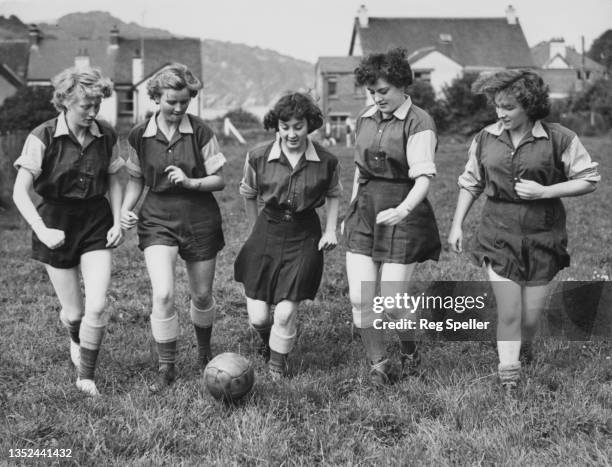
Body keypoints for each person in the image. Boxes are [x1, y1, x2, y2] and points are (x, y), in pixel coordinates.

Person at [447, 69, 600, 394]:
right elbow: (470, 182)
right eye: (497, 106)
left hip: (543, 235)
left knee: (530, 316)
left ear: (529, 106)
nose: (501, 113)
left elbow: (589, 178)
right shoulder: (485, 139)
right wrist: (457, 223)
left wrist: (546, 191)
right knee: (510, 310)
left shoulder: (560, 138)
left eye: (509, 107)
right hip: (497, 233)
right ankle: (509, 378)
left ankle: (521, 344)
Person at [12, 66, 123, 396]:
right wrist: (42, 230)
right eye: (84, 106)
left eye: (97, 105)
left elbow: (116, 179)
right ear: (64, 102)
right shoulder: (42, 136)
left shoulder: (107, 134)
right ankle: (75, 336)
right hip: (55, 221)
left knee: (98, 305)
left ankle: (86, 377)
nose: (92, 112)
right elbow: (20, 192)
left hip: (95, 221)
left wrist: (117, 221)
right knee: (74, 312)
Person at [120, 63, 226, 392]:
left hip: (199, 217)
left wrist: (192, 182)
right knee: (163, 293)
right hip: (158, 219)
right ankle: (167, 367)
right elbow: (136, 179)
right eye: (171, 101)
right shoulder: (139, 134)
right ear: (156, 98)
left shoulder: (202, 132)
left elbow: (219, 180)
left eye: (184, 101)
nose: (178, 108)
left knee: (202, 294)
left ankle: (204, 352)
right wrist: (125, 209)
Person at [344, 48, 441, 385]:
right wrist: (351, 209)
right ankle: (379, 364)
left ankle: (410, 351)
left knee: (392, 301)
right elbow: (359, 171)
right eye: (372, 92)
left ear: (402, 85)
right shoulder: (365, 118)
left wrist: (403, 210)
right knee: (360, 296)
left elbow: (424, 179)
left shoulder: (420, 122)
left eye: (383, 91)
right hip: (366, 212)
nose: (377, 98)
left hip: (404, 211)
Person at [234, 92, 341, 378]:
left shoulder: (327, 161)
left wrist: (331, 229)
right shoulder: (257, 156)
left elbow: (333, 194)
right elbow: (249, 194)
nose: (292, 133)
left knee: (284, 313)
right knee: (258, 317)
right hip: (267, 230)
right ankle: (268, 342)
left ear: (310, 125)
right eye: (285, 126)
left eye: (298, 126)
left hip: (304, 234)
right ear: (277, 126)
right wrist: (253, 231)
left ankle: (276, 370)